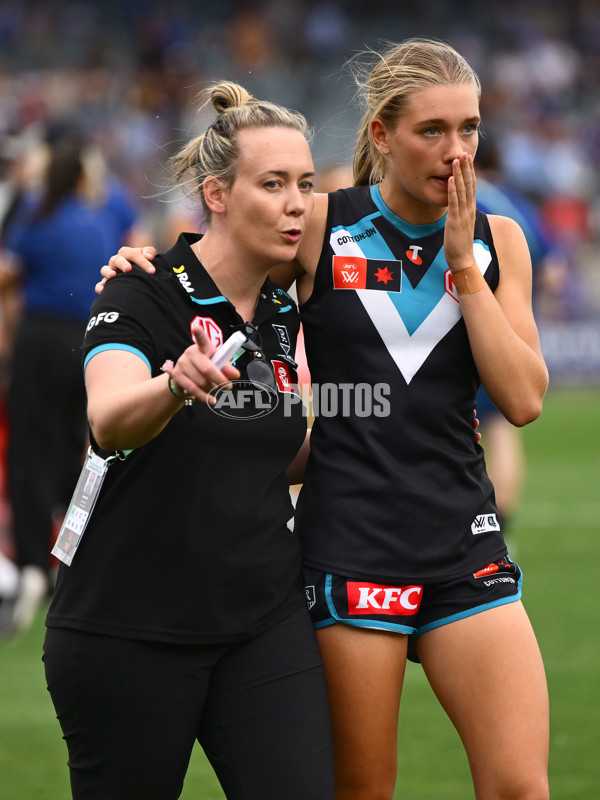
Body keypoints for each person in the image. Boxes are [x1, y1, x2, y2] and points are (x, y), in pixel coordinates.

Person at [102, 39, 550, 800]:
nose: (457, 151)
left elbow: (524, 399)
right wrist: (141, 271)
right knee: (361, 790)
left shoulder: (497, 241)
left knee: (519, 787)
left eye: (469, 128)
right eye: (432, 131)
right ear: (381, 134)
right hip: (349, 547)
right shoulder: (319, 222)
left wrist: (463, 268)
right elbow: (214, 268)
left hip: (462, 542)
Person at [43, 82, 334, 800]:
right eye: (273, 184)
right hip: (126, 627)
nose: (297, 202)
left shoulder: (278, 307)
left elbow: (272, 454)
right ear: (217, 194)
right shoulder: (140, 290)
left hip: (261, 621)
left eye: (304, 183)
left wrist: (381, 439)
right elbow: (109, 419)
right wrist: (176, 385)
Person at [0, 127, 146, 637]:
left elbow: (8, 274)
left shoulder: (35, 211)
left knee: (29, 457)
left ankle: (35, 567)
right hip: (97, 332)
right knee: (92, 451)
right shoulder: (110, 206)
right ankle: (83, 554)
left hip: (40, 339)